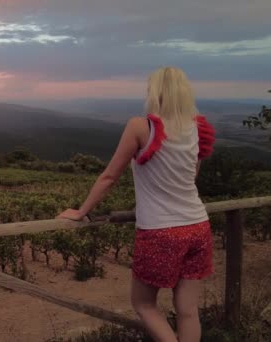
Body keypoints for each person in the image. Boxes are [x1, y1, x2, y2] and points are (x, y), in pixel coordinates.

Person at [57, 66, 215, 342]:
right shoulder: (197, 127)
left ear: (154, 93)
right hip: (198, 226)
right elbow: (191, 176)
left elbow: (109, 176)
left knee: (144, 304)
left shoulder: (142, 126)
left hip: (161, 231)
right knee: (188, 311)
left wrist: (82, 211)